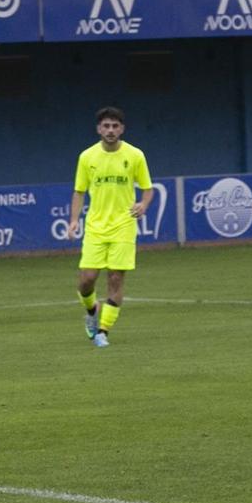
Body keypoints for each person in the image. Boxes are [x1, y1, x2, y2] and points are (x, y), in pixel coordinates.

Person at [71, 106, 154, 349]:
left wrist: (143, 204)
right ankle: (91, 311)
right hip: (96, 227)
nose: (110, 130)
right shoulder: (87, 157)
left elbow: (147, 189)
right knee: (87, 279)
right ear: (98, 129)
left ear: (122, 129)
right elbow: (79, 192)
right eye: (106, 126)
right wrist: (74, 220)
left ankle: (102, 332)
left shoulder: (135, 155)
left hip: (124, 226)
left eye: (115, 126)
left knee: (115, 279)